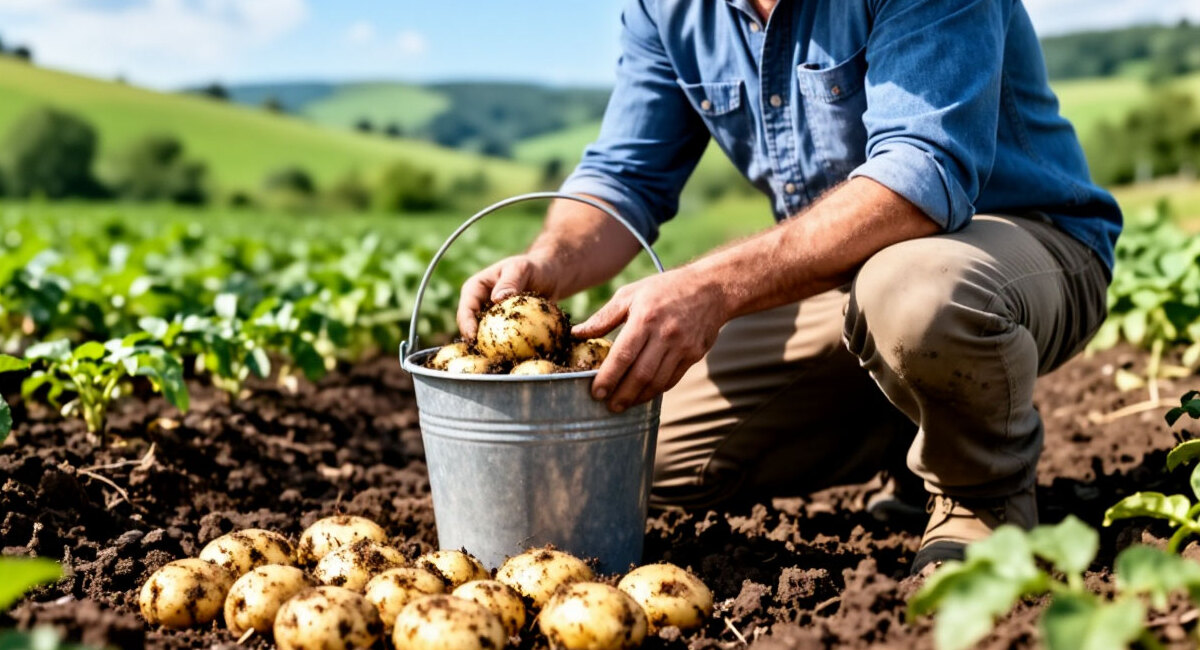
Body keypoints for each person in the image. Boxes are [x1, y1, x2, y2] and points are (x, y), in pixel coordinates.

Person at [456, 0, 1120, 574]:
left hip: (1020, 247)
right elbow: (625, 176)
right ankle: (916, 421)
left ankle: (983, 500)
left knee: (917, 292)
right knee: (638, 453)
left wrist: (714, 286)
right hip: (846, 280)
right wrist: (549, 261)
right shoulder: (672, 10)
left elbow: (922, 177)